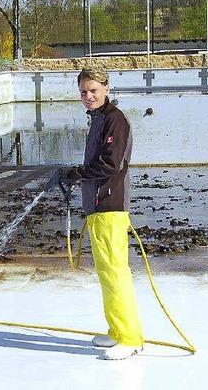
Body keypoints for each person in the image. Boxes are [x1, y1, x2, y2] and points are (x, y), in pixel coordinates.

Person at [45, 67, 144, 360]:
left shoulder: (115, 121)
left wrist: (74, 173)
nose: (88, 96)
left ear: (107, 89)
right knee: (107, 273)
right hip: (97, 207)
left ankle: (129, 338)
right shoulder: (99, 120)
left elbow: (110, 165)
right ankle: (117, 332)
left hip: (110, 206)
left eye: (93, 91)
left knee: (115, 273)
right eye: (83, 92)